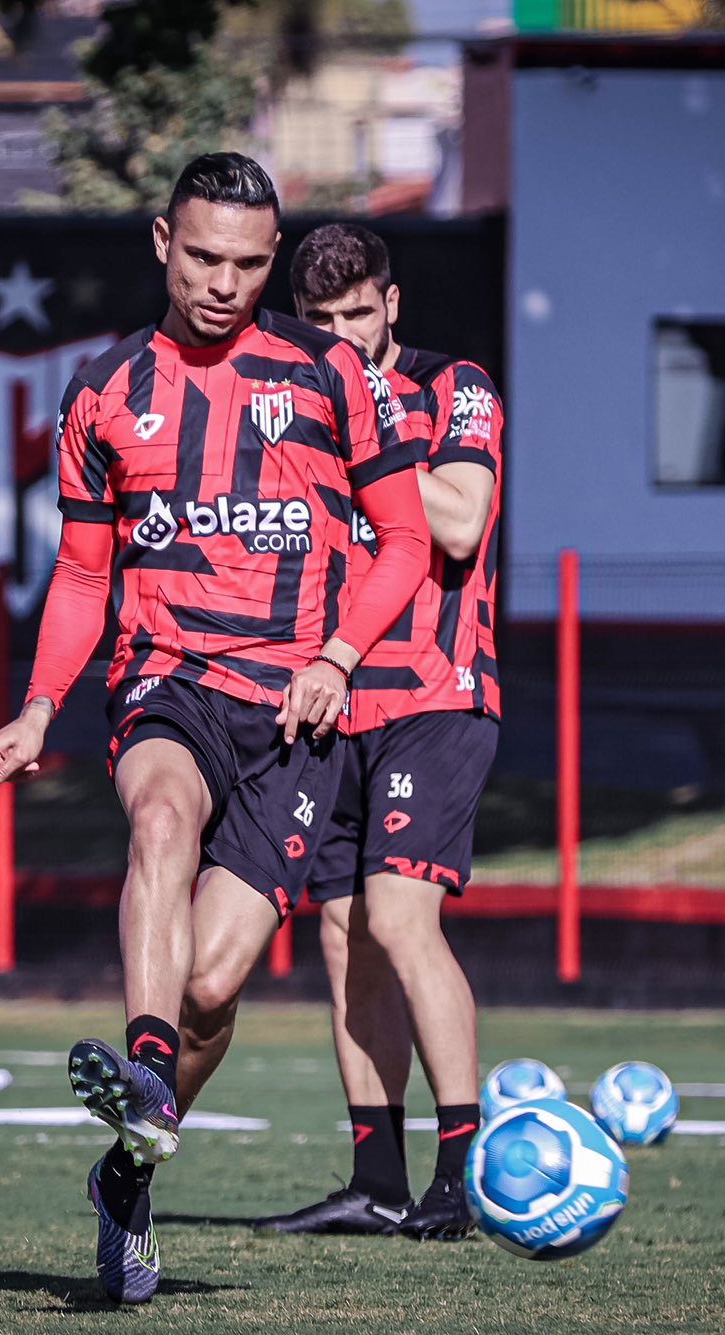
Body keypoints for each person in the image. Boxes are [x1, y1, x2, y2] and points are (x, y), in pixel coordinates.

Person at [0, 155, 432, 1304]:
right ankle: (142, 1070)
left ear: (270, 259)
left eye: (246, 262)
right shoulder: (103, 390)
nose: (222, 282)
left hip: (295, 714)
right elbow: (82, 574)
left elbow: (407, 544)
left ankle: (127, 1174)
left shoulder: (331, 374)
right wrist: (36, 707)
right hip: (164, 681)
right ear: (160, 244)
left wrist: (335, 657)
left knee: (216, 986)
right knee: (160, 819)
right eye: (201, 257)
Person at [253, 223, 504, 1242]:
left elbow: (455, 524)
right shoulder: (294, 399)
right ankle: (376, 1177)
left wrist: (369, 415)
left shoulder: (456, 389)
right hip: (335, 703)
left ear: (391, 305)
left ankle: (460, 1174)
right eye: (320, 325)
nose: (343, 340)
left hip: (435, 696)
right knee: (341, 932)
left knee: (402, 920)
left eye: (359, 317)